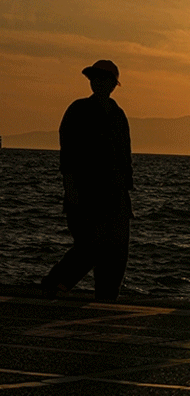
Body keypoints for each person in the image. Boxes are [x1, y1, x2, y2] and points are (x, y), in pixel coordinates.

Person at [41, 60, 133, 301]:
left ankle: (107, 298)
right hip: (86, 193)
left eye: (104, 79)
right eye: (95, 78)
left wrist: (124, 193)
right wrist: (71, 189)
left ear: (113, 84)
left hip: (115, 195)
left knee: (116, 252)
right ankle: (55, 284)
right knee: (91, 246)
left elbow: (125, 155)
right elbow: (68, 154)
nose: (98, 83)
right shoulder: (78, 110)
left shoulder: (117, 114)